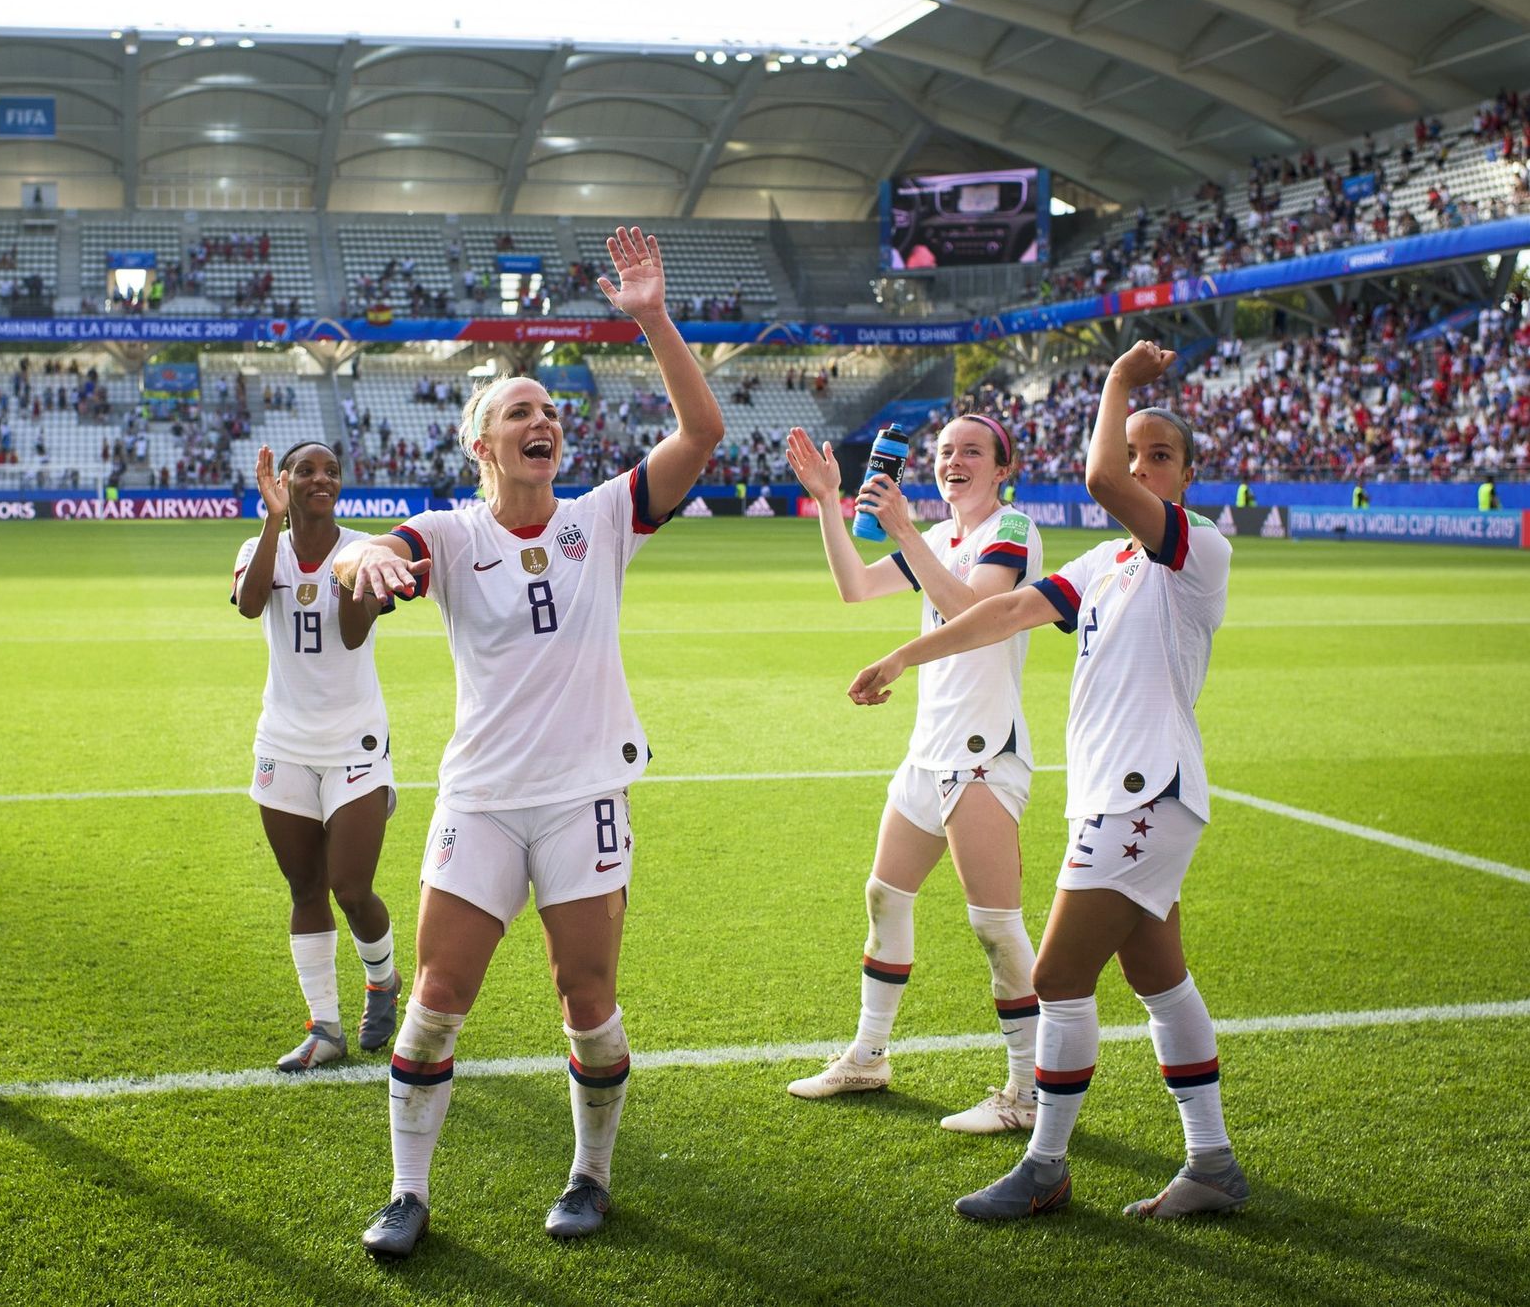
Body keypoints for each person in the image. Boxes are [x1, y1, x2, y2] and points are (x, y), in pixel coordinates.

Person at [336, 227, 723, 1259]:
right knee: (435, 1000)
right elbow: (389, 550)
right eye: (520, 413)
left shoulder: (601, 519)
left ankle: (591, 1176)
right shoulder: (457, 536)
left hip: (583, 795)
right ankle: (407, 1193)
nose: (543, 421)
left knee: (586, 998)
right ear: (482, 444)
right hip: (482, 800)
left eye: (549, 412)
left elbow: (701, 435)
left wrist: (650, 315)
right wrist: (364, 560)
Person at [849, 341, 1247, 1222]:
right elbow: (1007, 611)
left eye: (1161, 456)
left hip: (1144, 796)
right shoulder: (1107, 562)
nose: (1141, 466)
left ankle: (1044, 1165)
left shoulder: (1198, 551)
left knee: (1059, 980)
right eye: (1136, 450)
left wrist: (1114, 385)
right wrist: (904, 654)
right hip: (1117, 797)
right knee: (1162, 985)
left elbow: (1104, 478)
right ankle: (1212, 1163)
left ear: (1188, 475)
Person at [782, 415, 1045, 1134]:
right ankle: (868, 1057)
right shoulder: (940, 537)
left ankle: (1026, 1093)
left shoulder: (1011, 530)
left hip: (984, 754)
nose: (953, 461)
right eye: (944, 452)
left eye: (971, 452)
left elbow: (980, 612)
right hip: (929, 752)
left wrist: (903, 539)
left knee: (994, 926)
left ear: (1000, 467)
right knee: (885, 895)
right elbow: (853, 588)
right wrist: (832, 502)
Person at [233, 441, 404, 1074]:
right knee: (305, 887)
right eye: (307, 470)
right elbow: (251, 606)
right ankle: (324, 1028)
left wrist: (356, 578)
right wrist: (274, 522)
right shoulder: (260, 549)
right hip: (283, 743)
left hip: (354, 740)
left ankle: (381, 981)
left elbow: (356, 633)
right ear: (284, 481)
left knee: (350, 887)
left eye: (331, 471)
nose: (321, 478)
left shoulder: (364, 550)